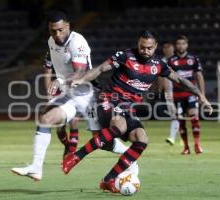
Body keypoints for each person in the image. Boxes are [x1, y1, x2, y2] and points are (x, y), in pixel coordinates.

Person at [61, 30, 212, 193]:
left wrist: (201, 96)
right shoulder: (125, 56)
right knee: (120, 127)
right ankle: (75, 157)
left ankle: (109, 179)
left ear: (155, 47)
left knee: (142, 140)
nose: (145, 51)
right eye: (142, 47)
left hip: (127, 108)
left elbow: (180, 80)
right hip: (109, 99)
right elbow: (100, 69)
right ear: (138, 44)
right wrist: (81, 79)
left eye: (149, 48)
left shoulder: (158, 65)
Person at [11, 11, 138, 181]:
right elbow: (50, 65)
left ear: (68, 26)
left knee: (102, 141)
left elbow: (81, 71)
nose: (57, 34)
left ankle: (130, 158)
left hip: (89, 95)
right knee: (45, 118)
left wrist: (60, 80)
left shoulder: (77, 42)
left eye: (60, 30)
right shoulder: (51, 41)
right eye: (53, 31)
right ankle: (36, 167)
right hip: (69, 95)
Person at [167, 35, 206, 154]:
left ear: (187, 45)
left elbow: (199, 76)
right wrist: (169, 93)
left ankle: (197, 144)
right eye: (178, 44)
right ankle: (186, 147)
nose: (181, 46)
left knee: (194, 118)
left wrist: (202, 94)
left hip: (190, 94)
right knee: (181, 121)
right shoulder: (171, 60)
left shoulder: (193, 59)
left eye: (183, 44)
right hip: (177, 96)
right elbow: (168, 78)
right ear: (175, 46)